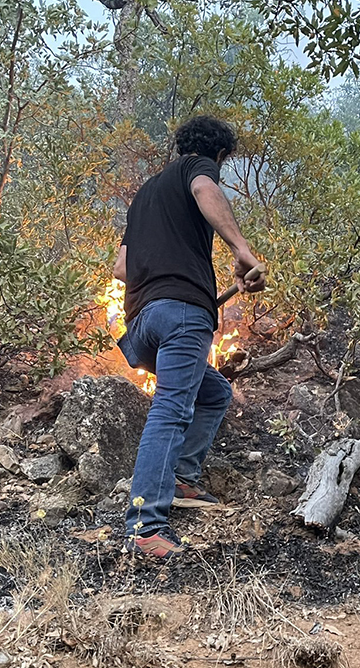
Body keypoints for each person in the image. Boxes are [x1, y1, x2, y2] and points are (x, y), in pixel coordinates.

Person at [112, 115, 266, 559]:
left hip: (142, 325)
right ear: (218, 155)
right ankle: (145, 528)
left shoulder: (143, 197)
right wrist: (240, 248)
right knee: (171, 411)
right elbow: (204, 191)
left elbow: (121, 269)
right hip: (182, 316)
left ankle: (180, 478)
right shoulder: (197, 169)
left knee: (214, 390)